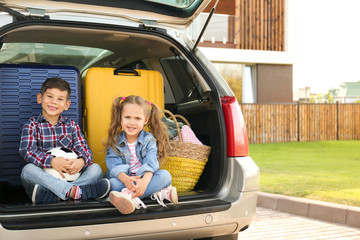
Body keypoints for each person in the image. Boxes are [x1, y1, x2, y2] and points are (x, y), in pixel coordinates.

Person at [19, 77, 110, 204]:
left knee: (96, 169)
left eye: (60, 99)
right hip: (45, 180)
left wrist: (81, 161)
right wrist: (52, 161)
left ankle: (59, 194)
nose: (54, 102)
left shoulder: (71, 126)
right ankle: (77, 192)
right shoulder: (32, 125)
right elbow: (27, 151)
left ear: (67, 105)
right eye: (49, 96)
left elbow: (85, 150)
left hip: (70, 176)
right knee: (27, 170)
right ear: (40, 98)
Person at [104, 95, 178, 214]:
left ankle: (128, 196)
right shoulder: (116, 140)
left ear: (146, 120)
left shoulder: (149, 140)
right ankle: (154, 192)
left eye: (137, 118)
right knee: (111, 183)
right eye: (127, 117)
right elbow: (114, 164)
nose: (132, 122)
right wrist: (127, 180)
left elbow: (151, 162)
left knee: (165, 175)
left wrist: (144, 182)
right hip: (124, 179)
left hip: (144, 178)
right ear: (120, 118)